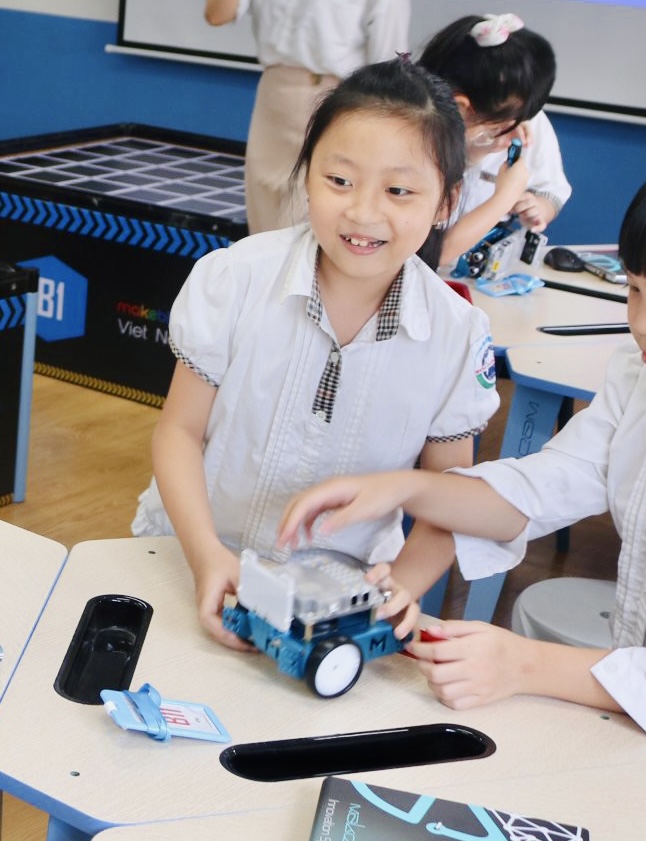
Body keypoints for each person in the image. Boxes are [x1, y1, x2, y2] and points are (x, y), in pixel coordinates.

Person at [278, 137, 646, 837]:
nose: (641, 322)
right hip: (637, 722)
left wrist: (523, 664)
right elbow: (541, 488)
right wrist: (402, 489)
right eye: (634, 289)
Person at [131, 58, 499, 650]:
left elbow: (449, 494)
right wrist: (206, 555)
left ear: (445, 203)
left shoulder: (455, 334)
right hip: (187, 550)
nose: (363, 212)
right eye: (339, 181)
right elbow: (179, 431)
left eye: (399, 191)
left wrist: (402, 586)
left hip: (339, 597)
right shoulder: (235, 277)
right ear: (307, 176)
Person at [204, 0, 410, 233]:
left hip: (337, 102)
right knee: (263, 220)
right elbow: (216, 15)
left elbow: (389, 64)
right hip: (274, 95)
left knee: (308, 221)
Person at [417, 13, 571, 267]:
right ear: (460, 108)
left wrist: (539, 207)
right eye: (501, 127)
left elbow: (551, 190)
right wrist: (505, 196)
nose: (517, 134)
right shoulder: (412, 144)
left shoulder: (524, 120)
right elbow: (431, 255)